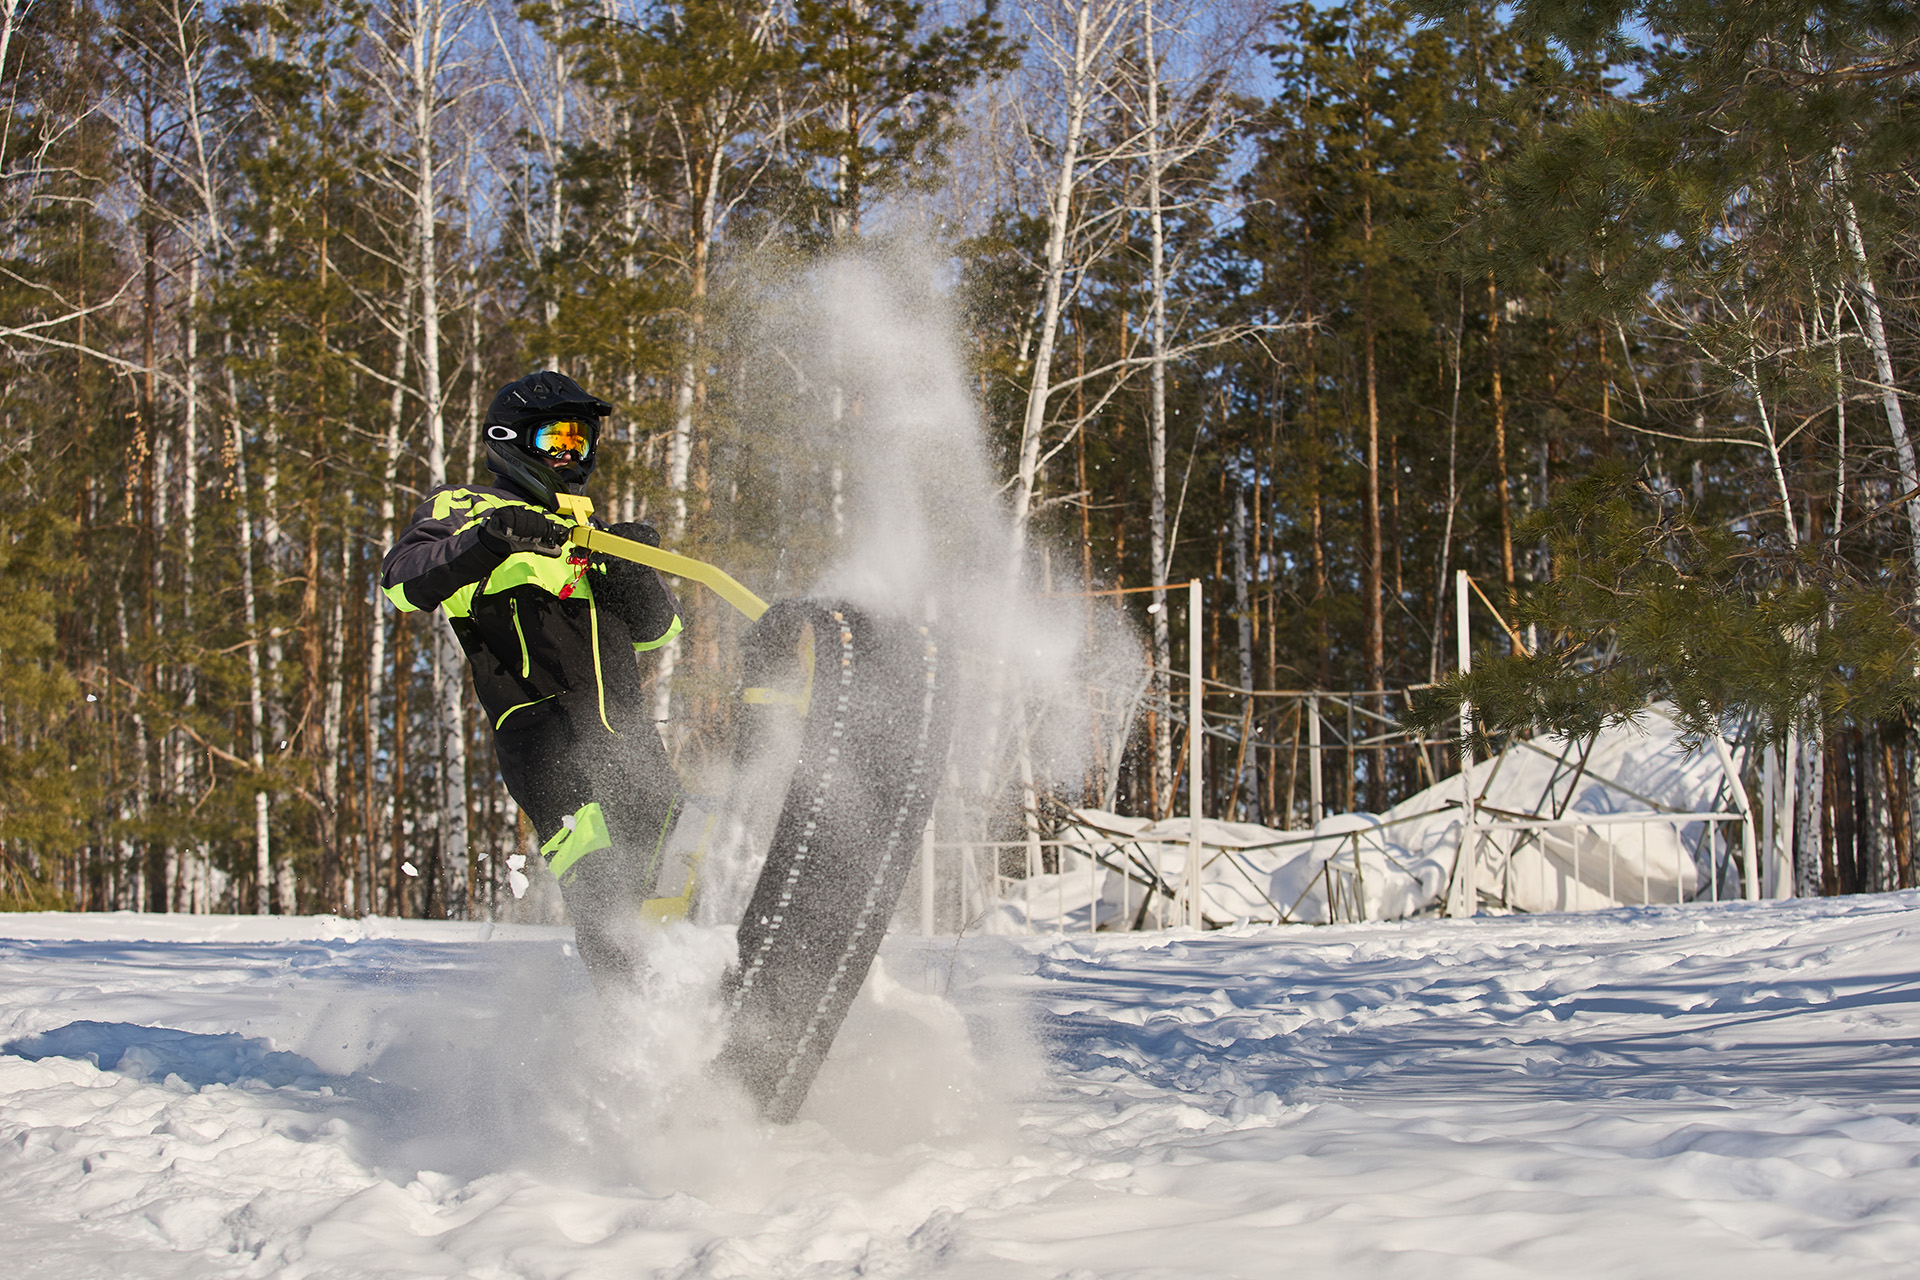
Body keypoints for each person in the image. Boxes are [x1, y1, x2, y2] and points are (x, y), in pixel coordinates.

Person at [381, 370, 683, 989]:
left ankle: (677, 996)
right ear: (511, 439)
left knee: (664, 866)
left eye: (580, 442)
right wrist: (488, 542)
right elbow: (403, 581)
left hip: (624, 733)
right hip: (543, 729)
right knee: (595, 867)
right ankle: (625, 1015)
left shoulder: (590, 530)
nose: (571, 455)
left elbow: (658, 635)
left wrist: (630, 572)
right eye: (556, 441)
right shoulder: (467, 508)